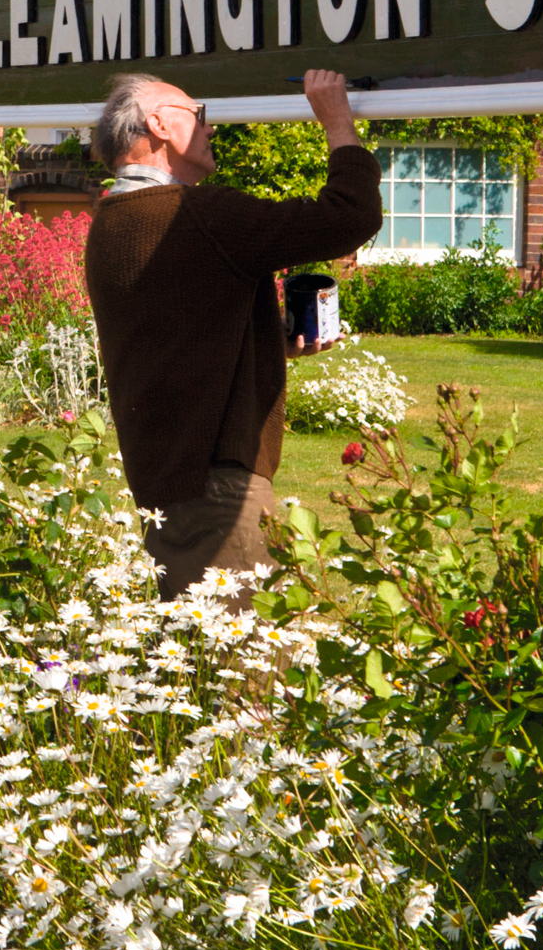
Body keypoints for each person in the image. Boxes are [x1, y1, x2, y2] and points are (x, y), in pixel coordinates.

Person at [83, 68, 381, 598]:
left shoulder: (111, 219)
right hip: (218, 486)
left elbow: (175, 339)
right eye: (200, 116)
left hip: (169, 478)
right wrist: (338, 121)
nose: (210, 128)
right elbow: (349, 218)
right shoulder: (197, 215)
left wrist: (267, 345)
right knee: (251, 669)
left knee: (199, 658)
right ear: (158, 125)